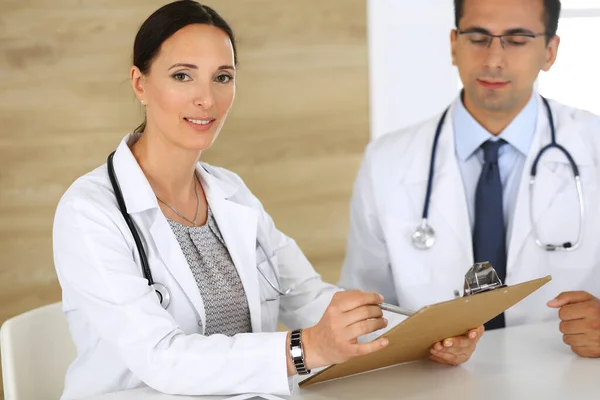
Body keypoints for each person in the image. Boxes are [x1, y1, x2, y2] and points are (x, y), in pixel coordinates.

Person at [52, 2, 478, 398]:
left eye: (223, 76)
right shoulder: (90, 213)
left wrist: (428, 335)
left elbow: (309, 300)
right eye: (183, 75)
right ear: (140, 84)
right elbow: (162, 358)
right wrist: (304, 349)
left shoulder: (230, 193)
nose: (207, 97)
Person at [339, 0, 600, 358]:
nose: (494, 59)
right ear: (453, 45)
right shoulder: (386, 161)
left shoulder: (594, 144)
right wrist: (420, 342)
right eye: (478, 38)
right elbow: (365, 308)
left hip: (567, 377)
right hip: (432, 385)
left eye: (517, 39)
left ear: (550, 51)